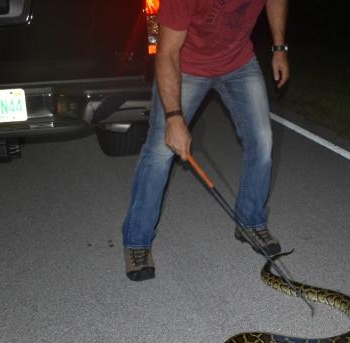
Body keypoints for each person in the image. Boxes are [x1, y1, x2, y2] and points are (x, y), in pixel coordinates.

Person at [122, 0, 289, 281]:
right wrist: (175, 118)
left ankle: (250, 222)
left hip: (238, 62)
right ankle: (137, 242)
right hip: (186, 66)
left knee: (262, 142)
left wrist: (279, 47)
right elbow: (167, 52)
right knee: (159, 151)